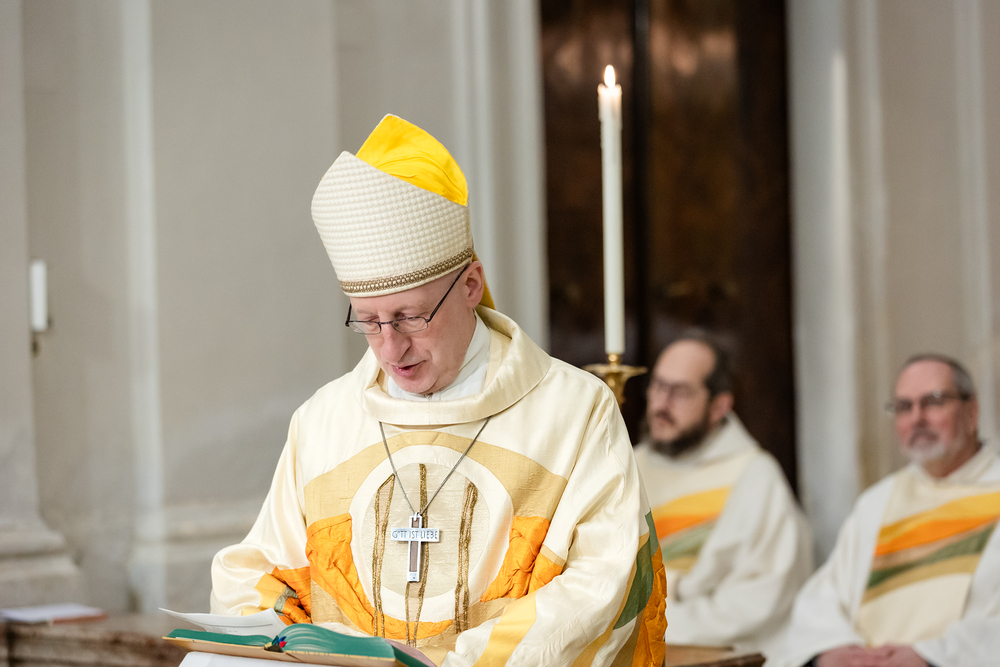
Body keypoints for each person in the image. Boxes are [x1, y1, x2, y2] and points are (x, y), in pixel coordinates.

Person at [210, 115, 666, 666]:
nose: (390, 348)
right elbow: (263, 574)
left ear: (470, 285)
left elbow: (605, 580)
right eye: (368, 321)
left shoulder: (574, 411)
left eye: (411, 317)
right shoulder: (323, 421)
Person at [771, 354, 1000, 667]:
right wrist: (832, 650)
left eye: (933, 402)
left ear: (971, 411)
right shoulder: (878, 502)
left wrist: (931, 656)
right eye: (904, 407)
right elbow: (825, 598)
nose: (917, 418)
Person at [632, 333, 812, 655]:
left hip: (709, 652)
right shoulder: (628, 466)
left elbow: (761, 600)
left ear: (719, 406)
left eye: (680, 392)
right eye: (657, 386)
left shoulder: (755, 478)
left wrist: (658, 623)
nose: (661, 403)